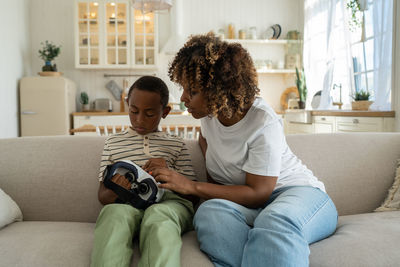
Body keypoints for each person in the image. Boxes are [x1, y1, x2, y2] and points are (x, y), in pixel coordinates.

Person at [150, 33, 338, 267]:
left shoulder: (263, 122)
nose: (184, 98)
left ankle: (269, 239)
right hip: (253, 209)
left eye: (193, 91)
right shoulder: (209, 120)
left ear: (220, 90)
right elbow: (216, 183)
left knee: (275, 219)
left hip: (298, 196)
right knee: (209, 214)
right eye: (184, 89)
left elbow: (259, 192)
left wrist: (191, 185)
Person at [91, 76, 198, 267]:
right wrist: (118, 189)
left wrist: (169, 173)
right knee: (114, 216)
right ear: (127, 105)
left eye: (149, 114)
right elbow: (102, 196)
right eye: (133, 111)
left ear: (165, 112)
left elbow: (192, 198)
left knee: (159, 217)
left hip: (169, 204)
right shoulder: (113, 143)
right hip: (126, 204)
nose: (139, 119)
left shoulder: (176, 144)